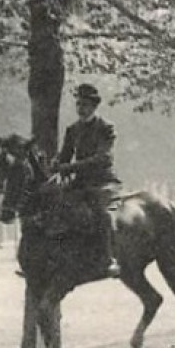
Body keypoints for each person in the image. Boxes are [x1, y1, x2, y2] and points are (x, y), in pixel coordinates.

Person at [54, 83, 120, 278]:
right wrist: (56, 164)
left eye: (85, 105)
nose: (81, 109)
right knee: (53, 206)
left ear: (93, 106)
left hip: (102, 181)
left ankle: (109, 259)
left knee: (103, 213)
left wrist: (70, 167)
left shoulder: (105, 128)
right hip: (80, 183)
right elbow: (65, 157)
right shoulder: (72, 130)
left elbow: (103, 158)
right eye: (78, 104)